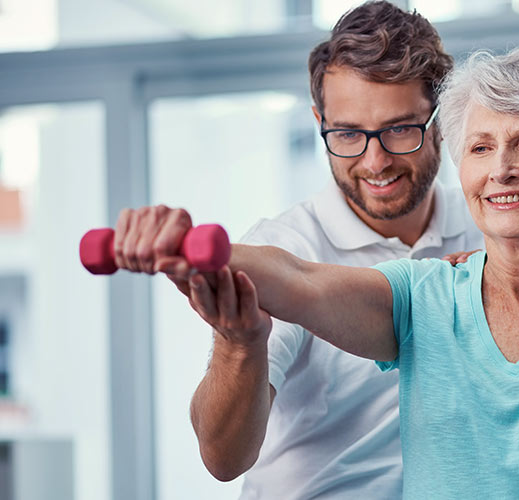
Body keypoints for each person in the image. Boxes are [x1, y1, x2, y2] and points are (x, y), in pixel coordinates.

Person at [119, 46, 519, 498]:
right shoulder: (424, 292)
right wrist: (185, 246)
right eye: (481, 149)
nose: (502, 169)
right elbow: (298, 278)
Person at [114, 2, 483, 499]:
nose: (375, 162)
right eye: (348, 134)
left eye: (399, 129)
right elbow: (222, 460)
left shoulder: (488, 226)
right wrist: (240, 344)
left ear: (441, 120)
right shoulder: (285, 244)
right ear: (319, 123)